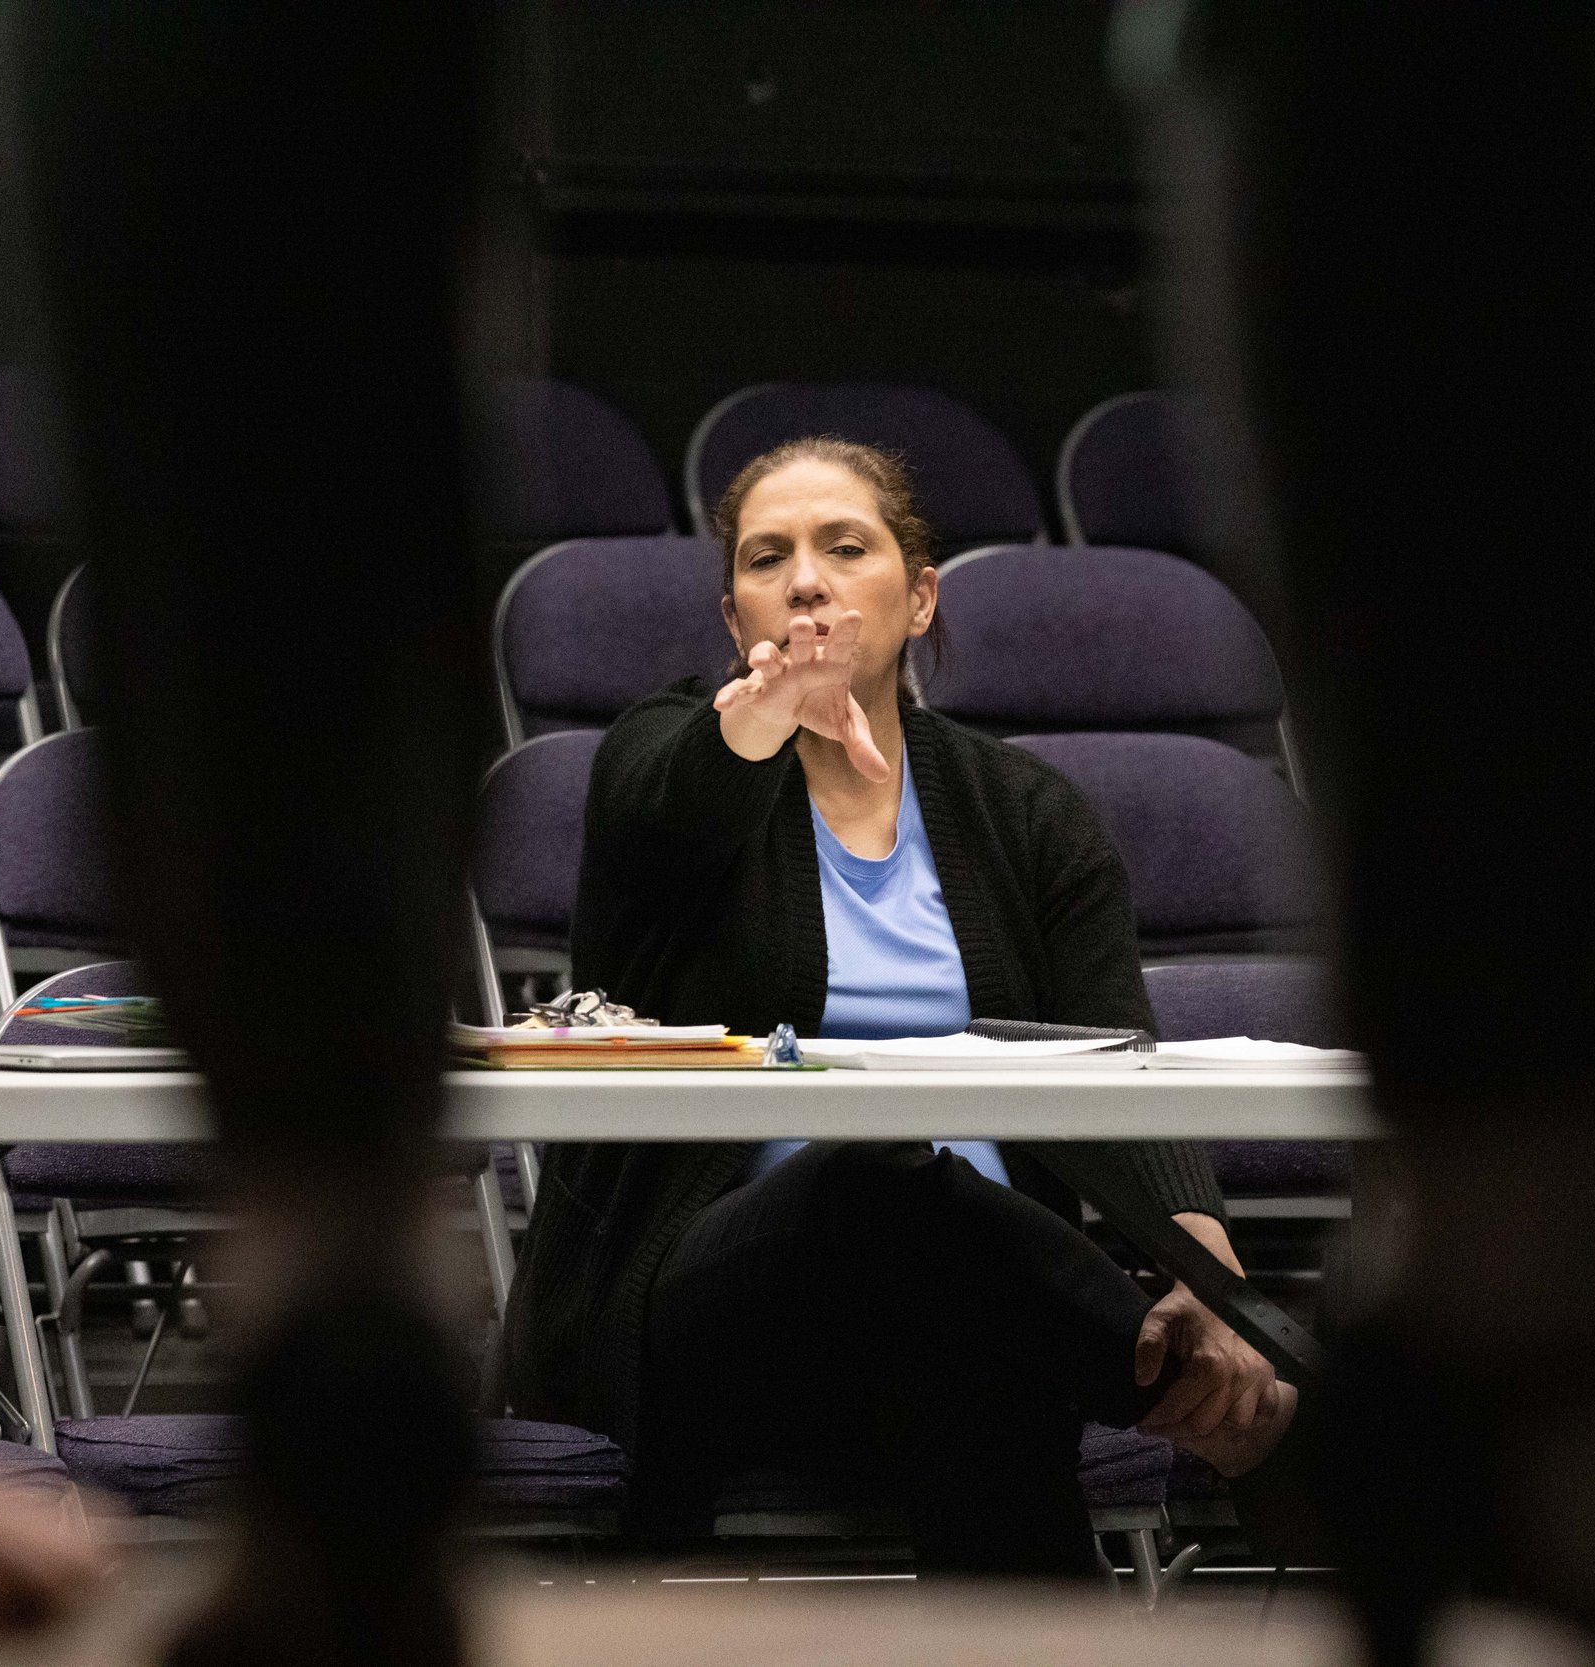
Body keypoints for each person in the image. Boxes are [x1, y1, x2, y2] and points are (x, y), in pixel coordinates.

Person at [502, 437, 1294, 1579]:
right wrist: (766, 715)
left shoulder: (1025, 810)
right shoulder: (661, 757)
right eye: (768, 558)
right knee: (878, 1178)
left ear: (919, 597)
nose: (807, 579)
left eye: (844, 546)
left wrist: (1209, 1288)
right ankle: (1213, 1400)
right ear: (736, 620)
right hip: (699, 1305)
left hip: (971, 1303)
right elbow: (665, 809)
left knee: (968, 1345)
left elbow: (1118, 1064)